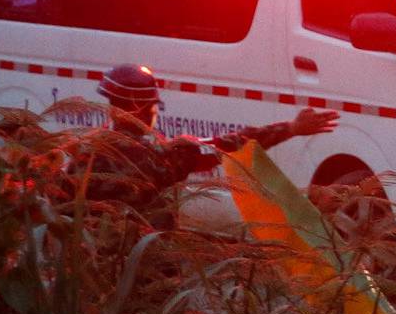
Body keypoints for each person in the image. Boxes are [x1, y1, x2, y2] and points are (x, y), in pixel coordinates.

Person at [70, 62, 339, 226]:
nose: (155, 113)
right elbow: (226, 145)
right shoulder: (158, 157)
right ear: (141, 106)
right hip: (145, 275)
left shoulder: (83, 152)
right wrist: (290, 129)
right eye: (154, 107)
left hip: (91, 278)